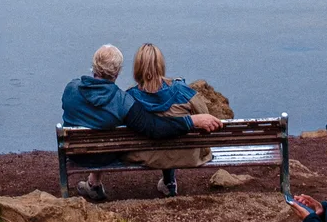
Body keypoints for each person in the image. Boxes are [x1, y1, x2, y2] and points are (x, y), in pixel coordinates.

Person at [61, 43, 222, 202]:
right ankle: (168, 181)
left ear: (93, 66)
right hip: (105, 157)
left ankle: (93, 184)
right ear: (117, 72)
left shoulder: (71, 88)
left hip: (77, 155)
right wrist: (191, 120)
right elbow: (155, 128)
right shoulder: (122, 102)